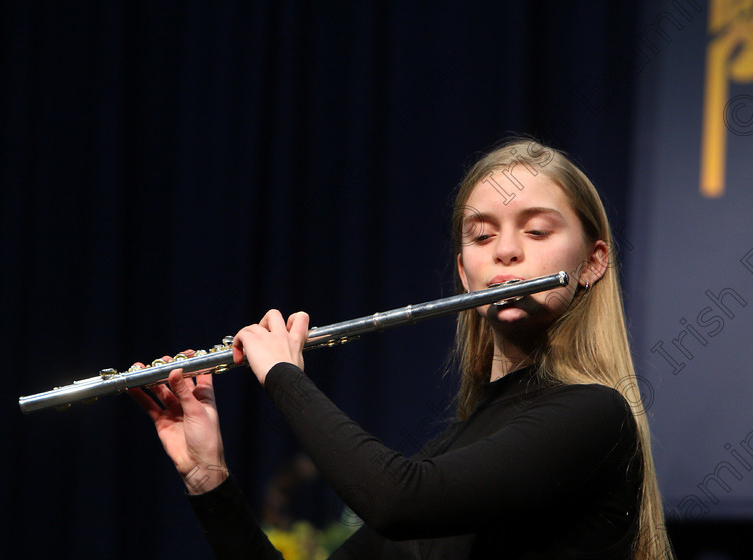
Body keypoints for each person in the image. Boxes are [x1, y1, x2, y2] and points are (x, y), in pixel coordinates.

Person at [129, 138, 673, 559]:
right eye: (482, 236)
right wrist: (209, 479)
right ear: (465, 272)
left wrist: (284, 377)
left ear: (594, 261)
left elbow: (397, 501)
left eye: (536, 232)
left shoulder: (595, 416)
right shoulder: (451, 453)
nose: (506, 252)